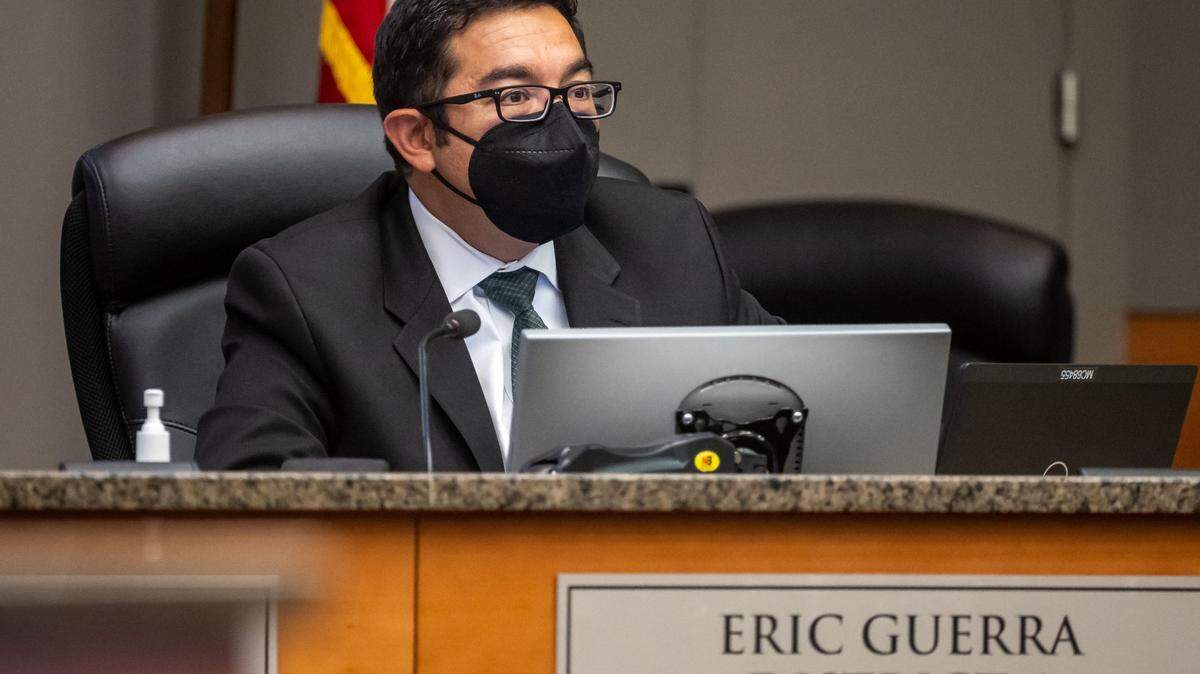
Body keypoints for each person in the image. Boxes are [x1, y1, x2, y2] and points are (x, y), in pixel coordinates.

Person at [195, 0, 781, 471]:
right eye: (515, 97)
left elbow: (806, 406)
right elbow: (253, 489)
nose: (562, 124)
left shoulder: (669, 241)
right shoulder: (305, 287)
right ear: (418, 138)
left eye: (577, 91)